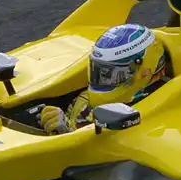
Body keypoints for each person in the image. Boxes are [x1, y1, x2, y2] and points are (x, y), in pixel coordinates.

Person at [37, 23, 170, 134]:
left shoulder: (160, 108)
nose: (101, 79)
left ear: (145, 71)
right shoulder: (83, 100)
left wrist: (66, 135)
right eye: (98, 71)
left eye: (111, 74)